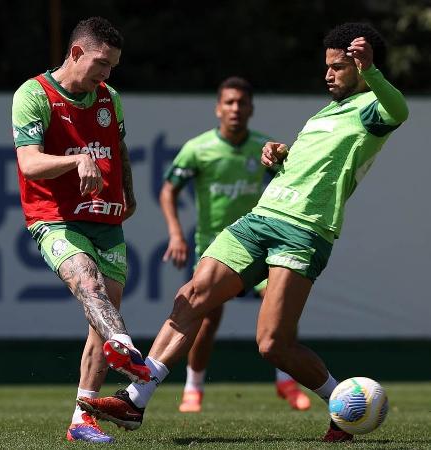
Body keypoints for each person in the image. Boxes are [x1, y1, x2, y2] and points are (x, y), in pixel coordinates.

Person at [78, 22, 408, 442]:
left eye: (339, 67)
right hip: (261, 217)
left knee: (273, 345)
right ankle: (134, 401)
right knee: (191, 296)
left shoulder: (372, 109)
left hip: (304, 231)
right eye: (327, 66)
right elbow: (314, 160)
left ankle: (342, 404)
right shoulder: (326, 110)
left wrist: (374, 73)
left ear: (362, 66)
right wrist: (280, 155)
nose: (328, 74)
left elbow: (400, 111)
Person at [11, 17, 151, 443]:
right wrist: (76, 160)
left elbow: (119, 145)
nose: (106, 74)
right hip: (54, 218)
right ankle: (126, 348)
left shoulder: (109, 97)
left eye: (112, 67)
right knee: (88, 285)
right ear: (76, 53)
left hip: (107, 219)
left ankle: (81, 419)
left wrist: (127, 191)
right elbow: (29, 163)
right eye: (102, 64)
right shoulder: (34, 94)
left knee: (99, 317)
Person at [160, 76, 310, 412]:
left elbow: (290, 185)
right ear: (218, 108)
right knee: (207, 318)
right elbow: (169, 190)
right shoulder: (198, 149)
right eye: (229, 102)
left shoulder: (264, 148)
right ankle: (193, 388)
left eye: (242, 103)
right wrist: (175, 233)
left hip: (260, 243)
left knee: (281, 307)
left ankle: (286, 383)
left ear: (251, 109)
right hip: (215, 248)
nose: (235, 109)